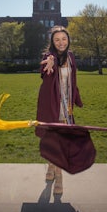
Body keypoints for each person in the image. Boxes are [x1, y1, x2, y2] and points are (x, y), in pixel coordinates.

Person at [35, 25, 83, 194]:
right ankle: (59, 176)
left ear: (68, 40)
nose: (61, 42)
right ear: (52, 42)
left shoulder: (71, 57)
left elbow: (73, 79)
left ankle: (51, 167)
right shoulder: (49, 56)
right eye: (57, 40)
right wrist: (48, 65)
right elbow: (46, 70)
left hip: (66, 105)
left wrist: (76, 97)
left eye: (64, 39)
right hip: (51, 104)